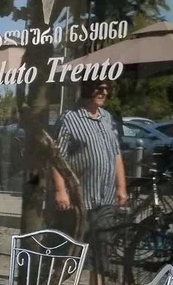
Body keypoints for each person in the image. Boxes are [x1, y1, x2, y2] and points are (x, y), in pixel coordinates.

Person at [52, 79, 127, 228]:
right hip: (80, 200)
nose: (104, 93)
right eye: (99, 89)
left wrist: (121, 187)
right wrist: (60, 190)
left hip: (106, 200)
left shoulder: (107, 117)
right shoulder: (69, 119)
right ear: (87, 90)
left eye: (106, 89)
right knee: (78, 240)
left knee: (103, 240)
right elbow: (56, 157)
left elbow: (116, 153)